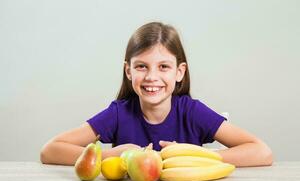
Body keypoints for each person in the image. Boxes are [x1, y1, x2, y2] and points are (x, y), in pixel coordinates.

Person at [40, 22, 273, 167]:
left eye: (163, 67)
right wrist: (110, 155)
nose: (152, 77)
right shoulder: (119, 114)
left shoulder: (191, 112)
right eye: (142, 66)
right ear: (128, 71)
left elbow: (262, 152)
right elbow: (50, 150)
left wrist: (195, 156)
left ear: (179, 72)